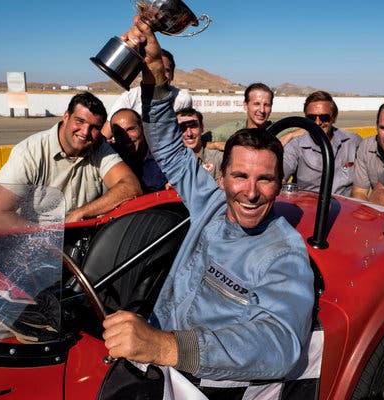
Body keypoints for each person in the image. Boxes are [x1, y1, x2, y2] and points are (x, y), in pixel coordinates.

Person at [102, 16, 315, 391]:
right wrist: (154, 75)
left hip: (206, 384)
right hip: (152, 358)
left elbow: (281, 342)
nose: (250, 192)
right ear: (221, 177)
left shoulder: (284, 252)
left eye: (265, 180)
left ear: (280, 184)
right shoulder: (211, 203)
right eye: (240, 176)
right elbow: (168, 146)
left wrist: (165, 346)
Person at [0, 92, 142, 229]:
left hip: (82, 240)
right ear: (66, 116)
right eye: (79, 121)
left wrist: (81, 213)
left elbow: (131, 186)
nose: (85, 132)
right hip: (34, 241)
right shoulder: (30, 152)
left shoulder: (98, 145)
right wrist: (46, 236)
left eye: (94, 127)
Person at [101, 48, 193, 142]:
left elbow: (185, 132)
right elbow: (105, 135)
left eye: (166, 70)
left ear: (172, 75)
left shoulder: (182, 99)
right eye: (154, 70)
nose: (159, 74)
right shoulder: (129, 98)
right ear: (144, 73)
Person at [282, 90, 361, 196]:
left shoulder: (353, 142)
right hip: (309, 204)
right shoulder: (296, 145)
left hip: (343, 205)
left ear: (334, 117)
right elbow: (281, 173)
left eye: (324, 118)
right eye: (311, 118)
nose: (317, 122)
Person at [109, 108, 168, 192]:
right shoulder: (110, 158)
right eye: (119, 132)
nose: (125, 137)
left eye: (130, 129)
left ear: (142, 127)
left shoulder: (165, 153)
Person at [203, 82, 274, 144]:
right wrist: (220, 145)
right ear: (245, 105)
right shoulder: (231, 131)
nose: (262, 110)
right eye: (256, 104)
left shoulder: (277, 130)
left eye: (267, 105)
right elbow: (201, 141)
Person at [177, 107, 223, 180]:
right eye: (183, 128)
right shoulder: (170, 161)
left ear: (202, 128)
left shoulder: (217, 158)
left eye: (193, 126)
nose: (189, 133)